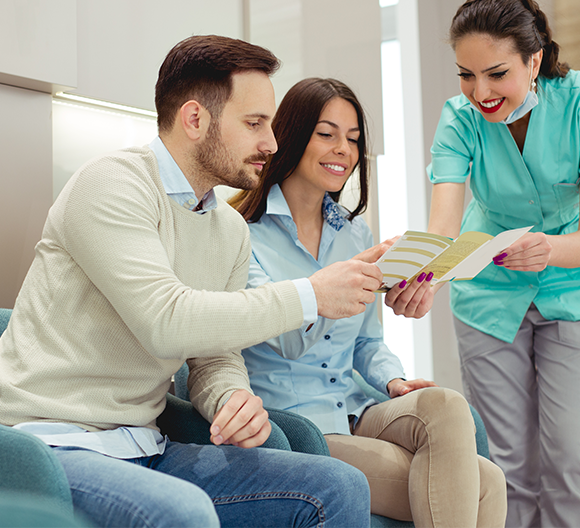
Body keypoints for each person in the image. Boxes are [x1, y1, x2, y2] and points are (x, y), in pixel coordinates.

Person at [0, 35, 384, 528]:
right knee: (182, 512)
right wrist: (310, 295)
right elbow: (168, 321)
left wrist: (229, 398)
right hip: (50, 443)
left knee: (338, 485)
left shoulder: (226, 229)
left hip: (146, 444)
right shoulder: (112, 184)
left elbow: (214, 354)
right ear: (195, 119)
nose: (271, 142)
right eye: (254, 124)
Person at [230, 77, 507, 528]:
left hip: (356, 406)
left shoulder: (354, 233)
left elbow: (367, 342)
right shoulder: (241, 233)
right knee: (487, 484)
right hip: (298, 424)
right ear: (292, 135)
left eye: (354, 139)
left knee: (448, 405)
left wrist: (392, 380)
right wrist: (336, 283)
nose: (344, 148)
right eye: (327, 134)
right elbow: (286, 341)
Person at [426, 0, 580, 528]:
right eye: (466, 75)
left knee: (570, 460)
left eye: (496, 74)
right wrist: (421, 273)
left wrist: (548, 250)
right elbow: (443, 229)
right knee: (505, 467)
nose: (480, 92)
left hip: (575, 287)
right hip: (488, 294)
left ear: (533, 59)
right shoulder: (458, 119)